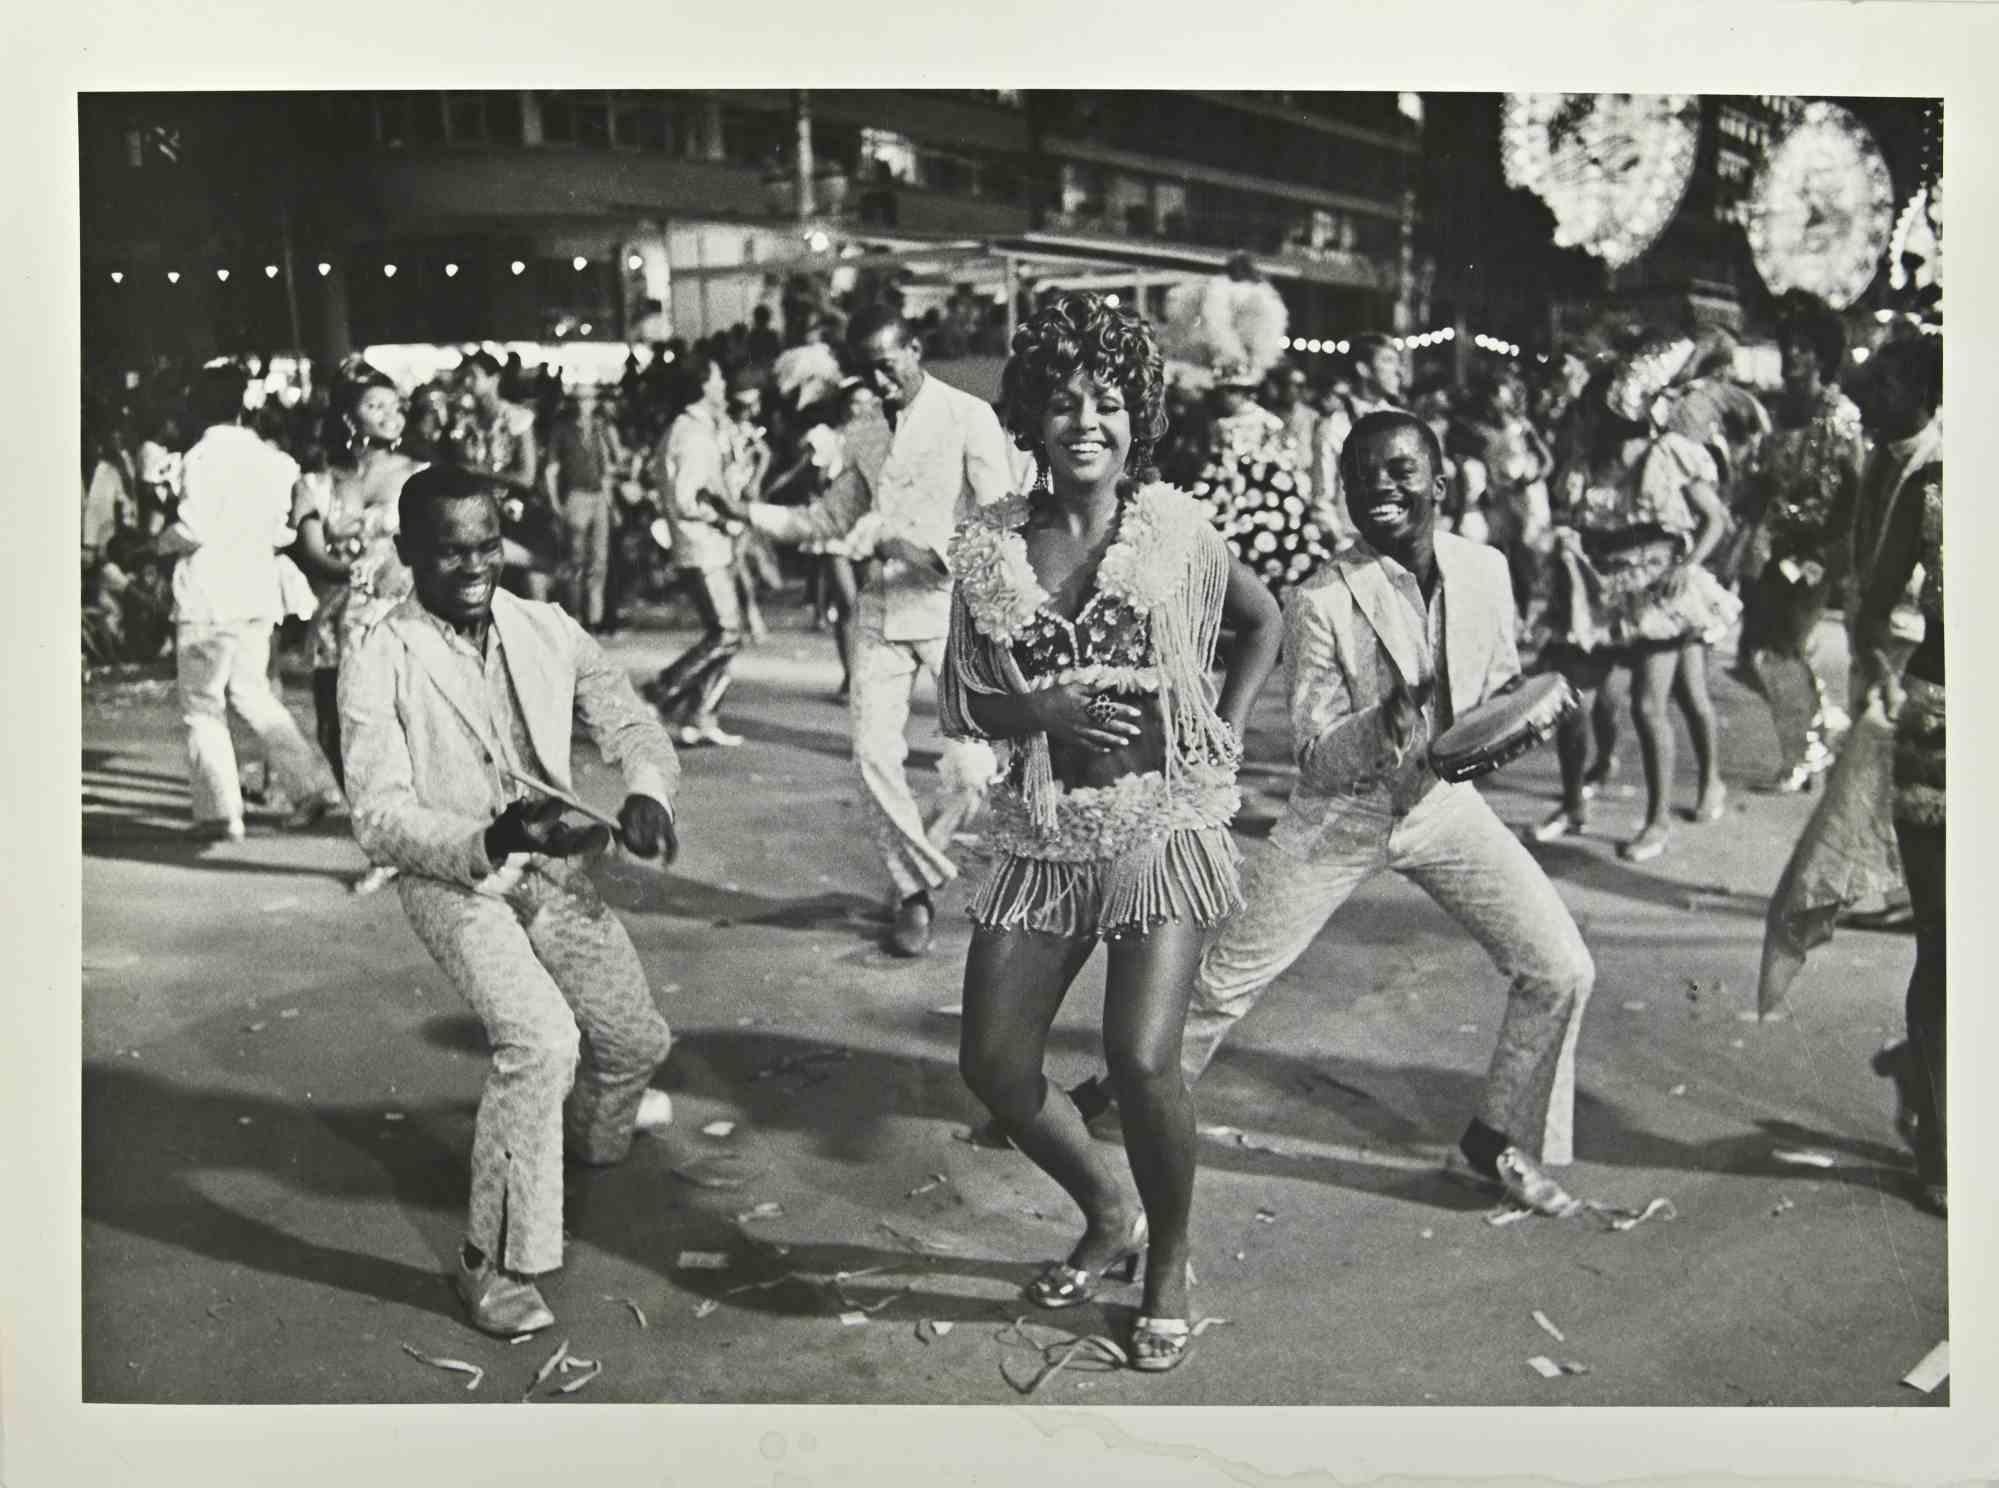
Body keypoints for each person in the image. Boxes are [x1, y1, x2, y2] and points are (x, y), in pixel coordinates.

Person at [1081, 411, 1589, 1223]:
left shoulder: (1486, 568)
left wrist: (1523, 720)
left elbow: (1494, 695)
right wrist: (1381, 724)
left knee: (1560, 968)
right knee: (1220, 987)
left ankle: (1496, 1141)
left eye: (1398, 470)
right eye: (1359, 476)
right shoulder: (1318, 598)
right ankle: (1110, 1109)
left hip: (1442, 809)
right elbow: (1316, 753)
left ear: (1440, 479)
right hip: (1337, 818)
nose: (1378, 488)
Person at [941, 292, 1283, 1372]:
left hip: (1159, 828)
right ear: (1031, 418)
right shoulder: (991, 546)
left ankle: (1170, 1259)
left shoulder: (1179, 531)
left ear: (1136, 414)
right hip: (1045, 833)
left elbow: (1266, 619)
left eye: (1106, 402)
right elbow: (963, 701)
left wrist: (1222, 734)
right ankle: (1108, 1210)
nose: (1084, 421)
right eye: (1060, 403)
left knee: (1141, 1061)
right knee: (994, 1068)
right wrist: (1035, 711)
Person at [339, 463, 682, 1335]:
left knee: (635, 1040)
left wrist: (646, 788)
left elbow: (628, 720)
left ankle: (575, 1141)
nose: (473, 565)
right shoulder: (379, 652)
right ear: (410, 553)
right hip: (454, 878)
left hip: (554, 868)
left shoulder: (544, 626)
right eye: (449, 552)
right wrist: (490, 840)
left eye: (486, 544)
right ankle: (487, 1263)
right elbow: (378, 818)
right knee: (540, 1040)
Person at [746, 303, 1013, 956]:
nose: (878, 383)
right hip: (880, 617)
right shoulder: (863, 431)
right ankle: (915, 889)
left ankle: (918, 861)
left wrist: (923, 552)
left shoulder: (966, 416)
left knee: (975, 774)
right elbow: (830, 518)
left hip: (953, 612)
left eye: (888, 366)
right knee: (871, 757)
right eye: (865, 372)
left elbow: (1003, 514)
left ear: (914, 349)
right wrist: (747, 514)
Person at [1756, 338, 1939, 1036]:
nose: (1870, 400)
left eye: (1885, 387)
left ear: (1920, 391)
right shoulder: (1880, 455)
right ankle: (1899, 886)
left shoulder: (1938, 464)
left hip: (1920, 648)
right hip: (1882, 639)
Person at [1533, 347, 1737, 861]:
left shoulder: (1667, 454)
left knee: (1654, 705)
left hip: (1659, 591)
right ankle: (1574, 804)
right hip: (1600, 590)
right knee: (1570, 704)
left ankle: (1659, 819)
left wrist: (1687, 566)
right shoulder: (1585, 466)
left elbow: (1716, 520)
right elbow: (1570, 522)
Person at [149, 362, 342, 841]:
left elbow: (194, 528)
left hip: (208, 595)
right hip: (257, 590)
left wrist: (157, 543)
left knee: (202, 705)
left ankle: (219, 812)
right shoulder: (274, 460)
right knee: (253, 692)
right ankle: (310, 786)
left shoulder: (198, 458)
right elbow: (283, 529)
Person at [1846, 335, 1944, 1215]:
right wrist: (1884, 693)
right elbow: (1871, 602)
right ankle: (1944, 1149)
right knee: (1948, 944)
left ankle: (1925, 1073)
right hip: (1942, 730)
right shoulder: (1930, 484)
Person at [288, 368, 425, 892]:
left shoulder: (417, 474)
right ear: (349, 419)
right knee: (333, 731)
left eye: (397, 406)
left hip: (396, 619)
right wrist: (353, 570)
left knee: (396, 731)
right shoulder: (318, 482)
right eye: (377, 406)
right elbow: (311, 552)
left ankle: (408, 840)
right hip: (335, 620)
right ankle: (381, 836)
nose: (394, 415)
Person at [1737, 295, 1866, 793]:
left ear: (1823, 357)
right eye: (1789, 346)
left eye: (1805, 349)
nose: (1793, 356)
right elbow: (1764, 482)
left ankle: (1802, 753)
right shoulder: (1778, 410)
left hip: (1815, 554)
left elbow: (1852, 492)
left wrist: (1829, 556)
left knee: (1783, 647)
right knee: (1757, 654)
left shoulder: (1839, 414)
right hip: (1772, 547)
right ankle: (1821, 723)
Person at [643, 356, 752, 748]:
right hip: (701, 544)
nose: (724, 385)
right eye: (719, 376)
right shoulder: (691, 435)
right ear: (705, 385)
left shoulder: (699, 429)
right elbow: (686, 499)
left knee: (726, 633)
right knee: (727, 632)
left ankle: (701, 715)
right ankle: (661, 692)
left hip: (707, 544)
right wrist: (725, 518)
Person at [451, 351, 551, 601]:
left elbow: (527, 476)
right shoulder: (464, 422)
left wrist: (481, 471)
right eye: (465, 378)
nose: (467, 384)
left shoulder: (516, 418)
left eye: (473, 377)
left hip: (514, 512)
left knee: (529, 579)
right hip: (477, 510)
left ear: (494, 378)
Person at [1310, 333, 1407, 553]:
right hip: (1353, 546)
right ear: (1363, 369)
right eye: (1388, 361)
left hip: (1399, 546)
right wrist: (1342, 546)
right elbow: (1322, 500)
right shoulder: (1334, 427)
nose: (1398, 371)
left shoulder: (1403, 423)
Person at [544, 386, 626, 634]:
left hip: (597, 495)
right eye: (580, 399)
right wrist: (556, 501)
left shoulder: (599, 429)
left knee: (598, 561)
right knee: (576, 560)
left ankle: (593, 618)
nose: (584, 404)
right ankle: (577, 616)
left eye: (588, 399)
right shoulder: (563, 430)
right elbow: (552, 470)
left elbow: (609, 467)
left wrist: (611, 504)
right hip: (577, 495)